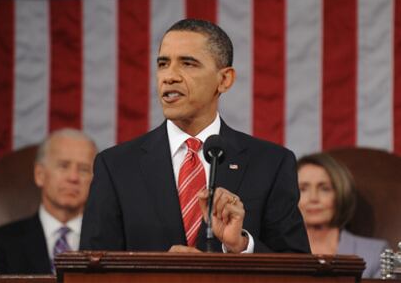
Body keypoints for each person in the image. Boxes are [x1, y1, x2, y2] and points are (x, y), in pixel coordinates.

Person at [80, 18, 310, 254]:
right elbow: (91, 272)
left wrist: (240, 245)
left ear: (224, 80)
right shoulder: (116, 166)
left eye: (188, 64)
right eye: (163, 64)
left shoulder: (271, 164)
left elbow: (299, 272)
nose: (169, 76)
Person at [0, 128, 97, 274]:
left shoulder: (114, 244)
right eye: (63, 166)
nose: (73, 177)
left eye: (84, 169)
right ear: (40, 174)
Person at [297, 153, 390, 278]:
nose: (313, 198)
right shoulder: (274, 251)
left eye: (324, 189)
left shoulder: (375, 253)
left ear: (341, 194)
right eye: (302, 189)